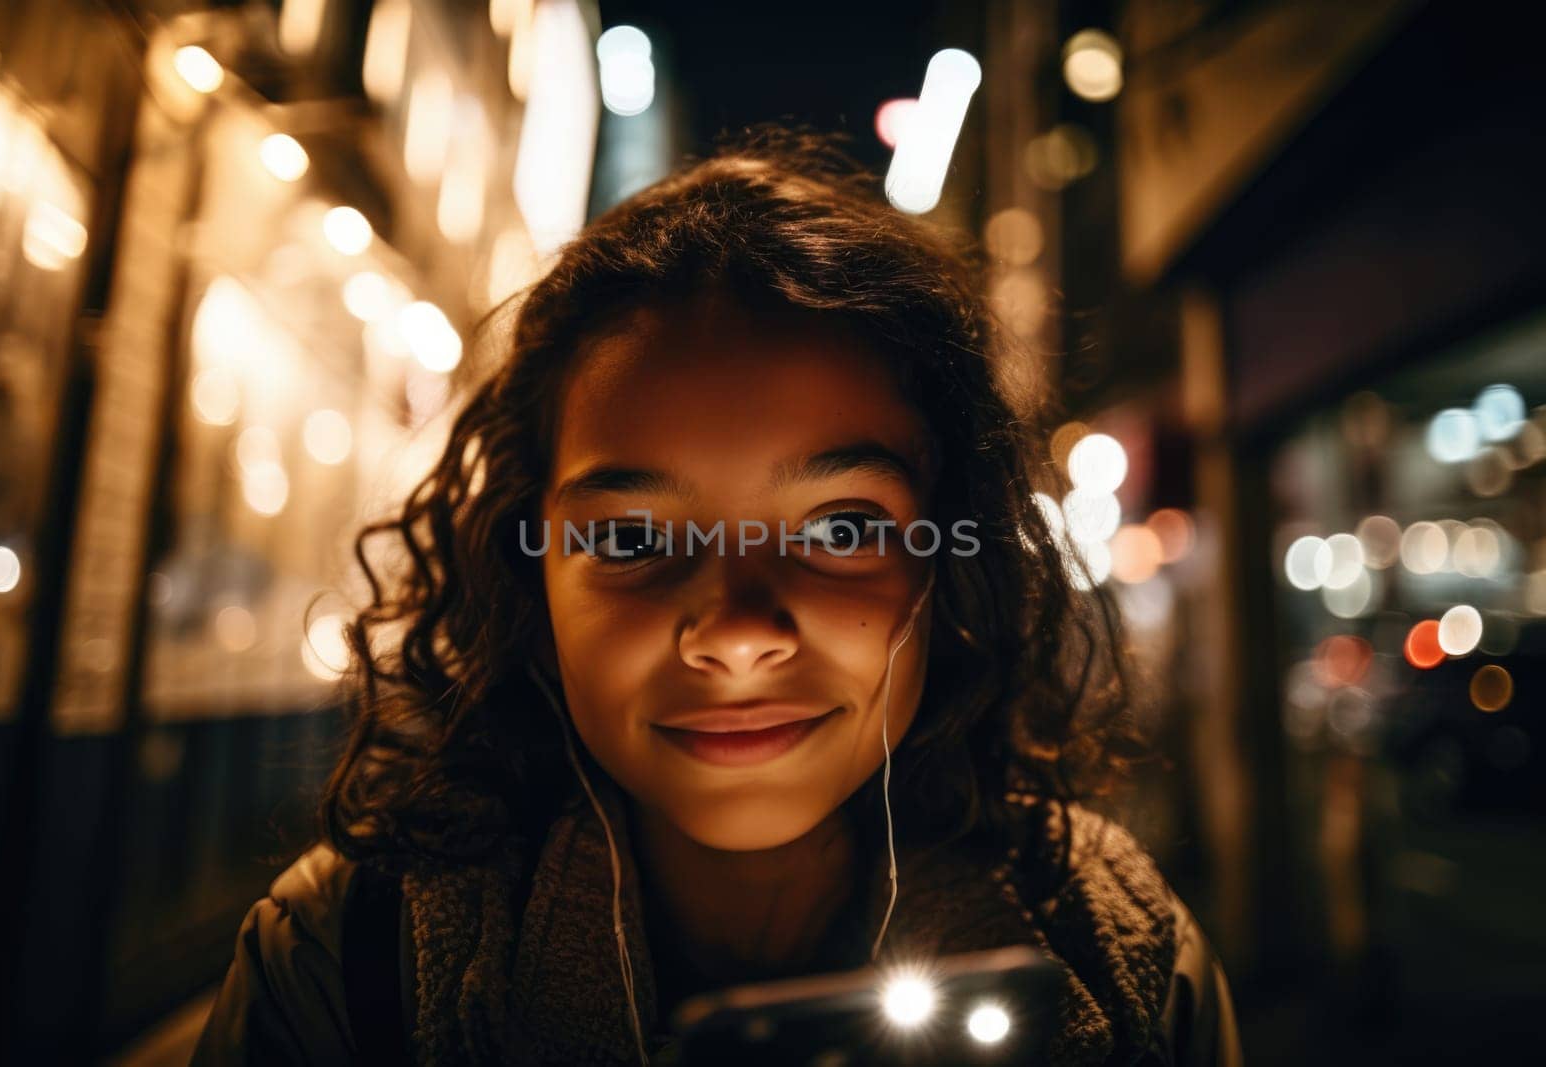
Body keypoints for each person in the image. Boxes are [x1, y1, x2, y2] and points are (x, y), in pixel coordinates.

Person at [190, 130, 1242, 1067]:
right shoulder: (347, 955)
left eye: (841, 529)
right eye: (632, 538)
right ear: (529, 574)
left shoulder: (1122, 952)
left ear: (944, 560)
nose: (738, 634)